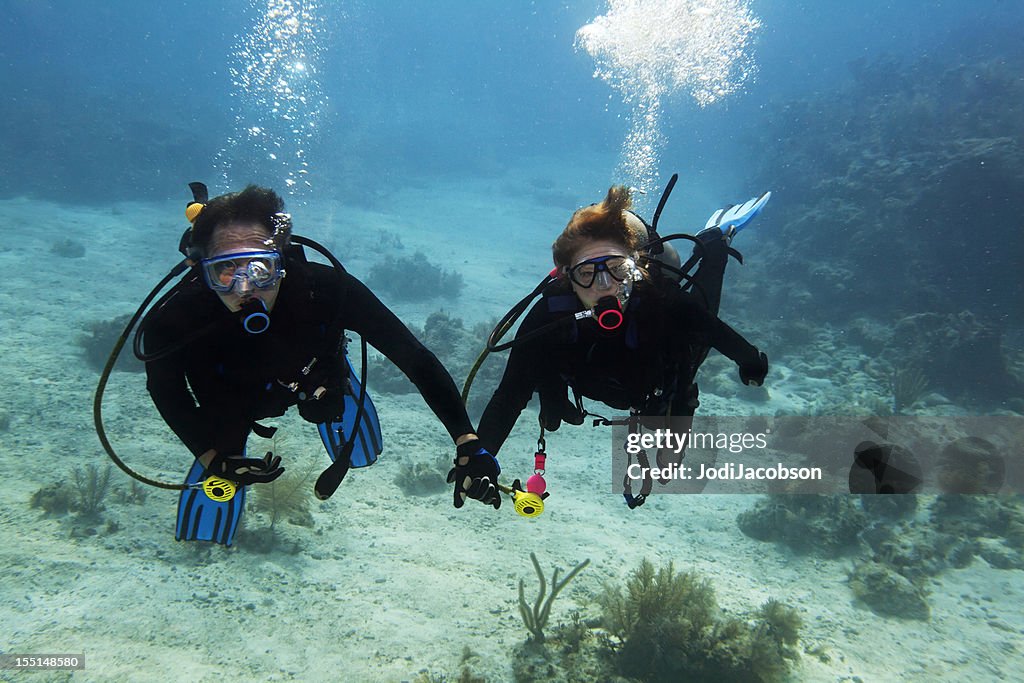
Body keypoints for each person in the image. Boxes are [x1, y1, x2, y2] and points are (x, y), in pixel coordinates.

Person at [139, 184, 500, 545]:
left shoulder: (326, 291)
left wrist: (467, 440)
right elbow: (165, 389)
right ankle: (222, 455)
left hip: (312, 380)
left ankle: (340, 385)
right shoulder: (175, 318)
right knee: (226, 444)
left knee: (327, 402)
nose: (245, 287)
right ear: (200, 269)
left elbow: (413, 357)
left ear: (281, 261)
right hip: (232, 395)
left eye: (260, 268)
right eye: (225, 270)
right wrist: (209, 455)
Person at [475, 184, 769, 507]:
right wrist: (481, 456)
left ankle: (715, 242)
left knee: (695, 327)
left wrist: (750, 360)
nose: (604, 287)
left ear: (634, 266)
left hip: (659, 372)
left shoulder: (661, 302)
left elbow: (713, 329)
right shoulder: (549, 317)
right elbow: (509, 396)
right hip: (597, 375)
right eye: (587, 273)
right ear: (566, 279)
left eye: (617, 269)